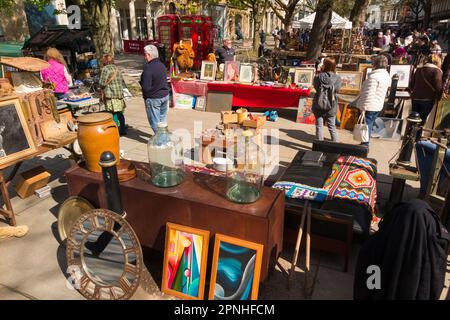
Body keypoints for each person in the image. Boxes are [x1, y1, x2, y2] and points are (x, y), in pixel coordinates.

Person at [352, 55, 391, 147]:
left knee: (367, 124)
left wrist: (363, 107)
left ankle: (365, 143)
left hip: (370, 104)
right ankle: (365, 141)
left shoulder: (374, 77)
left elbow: (368, 93)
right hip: (377, 104)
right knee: (370, 122)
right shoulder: (385, 75)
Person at [409, 54, 443, 135]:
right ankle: (416, 139)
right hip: (428, 99)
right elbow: (438, 87)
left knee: (413, 119)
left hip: (415, 98)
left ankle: (410, 137)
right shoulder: (436, 71)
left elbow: (411, 85)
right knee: (421, 121)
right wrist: (439, 97)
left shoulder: (419, 69)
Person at [140, 45, 170, 135]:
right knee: (162, 120)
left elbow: (145, 87)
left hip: (154, 98)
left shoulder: (148, 68)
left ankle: (161, 140)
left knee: (155, 123)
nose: (144, 57)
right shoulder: (161, 65)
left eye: (145, 55)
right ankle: (165, 137)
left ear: (149, 55)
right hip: (164, 95)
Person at [311, 57, 341, 142]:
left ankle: (319, 146)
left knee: (319, 126)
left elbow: (316, 88)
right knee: (332, 126)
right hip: (332, 105)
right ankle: (336, 147)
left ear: (324, 65)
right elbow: (337, 90)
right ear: (334, 66)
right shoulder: (337, 78)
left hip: (318, 103)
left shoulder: (318, 77)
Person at [99, 54, 127, 136]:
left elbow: (101, 83)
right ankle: (123, 129)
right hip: (119, 94)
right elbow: (122, 81)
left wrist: (100, 88)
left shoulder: (105, 69)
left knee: (113, 113)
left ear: (105, 61)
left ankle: (116, 131)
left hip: (111, 94)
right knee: (120, 113)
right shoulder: (117, 68)